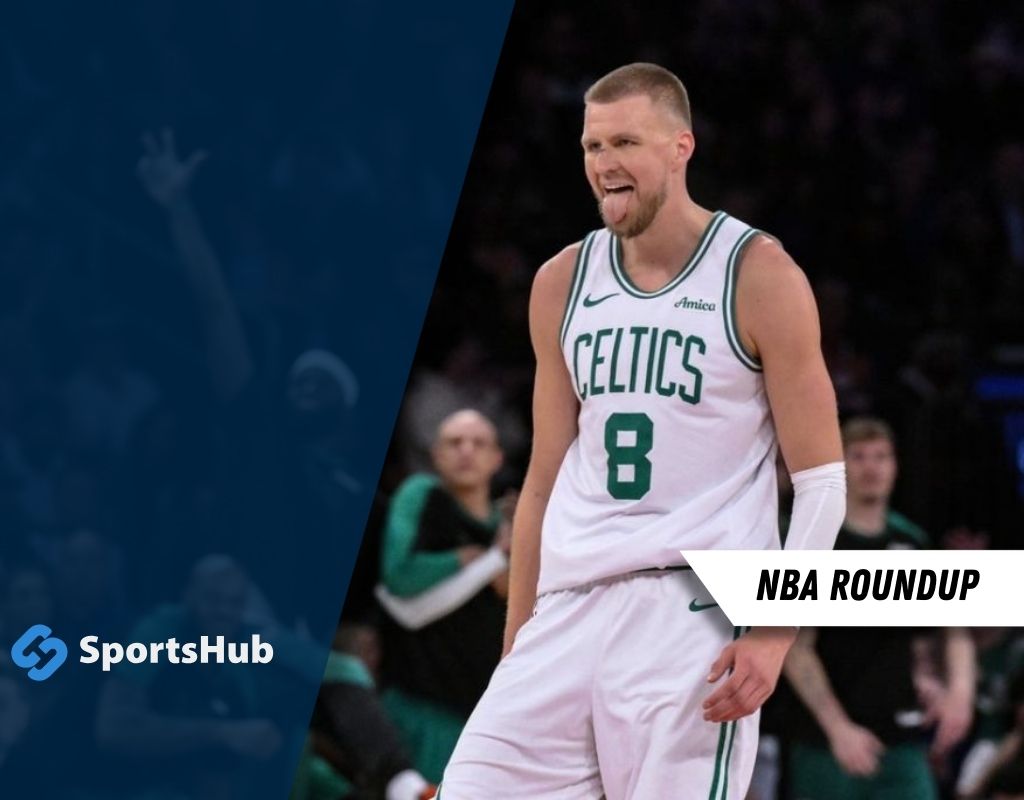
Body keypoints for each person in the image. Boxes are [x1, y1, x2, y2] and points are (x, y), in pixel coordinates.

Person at [436, 62, 845, 800]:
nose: (603, 164)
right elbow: (542, 482)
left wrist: (775, 633)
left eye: (624, 141)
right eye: (592, 147)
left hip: (688, 613)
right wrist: (518, 639)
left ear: (680, 147)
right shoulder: (561, 281)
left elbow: (822, 485)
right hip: (565, 609)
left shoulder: (757, 272)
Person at [784, 416, 975, 800]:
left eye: (882, 457)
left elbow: (936, 634)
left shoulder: (911, 540)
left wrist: (952, 690)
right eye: (859, 456)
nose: (872, 468)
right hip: (827, 742)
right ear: (840, 464)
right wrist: (838, 729)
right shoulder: (813, 541)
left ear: (896, 465)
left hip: (902, 740)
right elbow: (793, 646)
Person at [377, 409, 513, 784]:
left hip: (486, 711)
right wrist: (469, 560)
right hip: (422, 705)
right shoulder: (422, 495)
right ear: (435, 454)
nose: (466, 451)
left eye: (478, 443)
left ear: (497, 458)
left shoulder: (512, 524)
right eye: (454, 442)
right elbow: (400, 580)